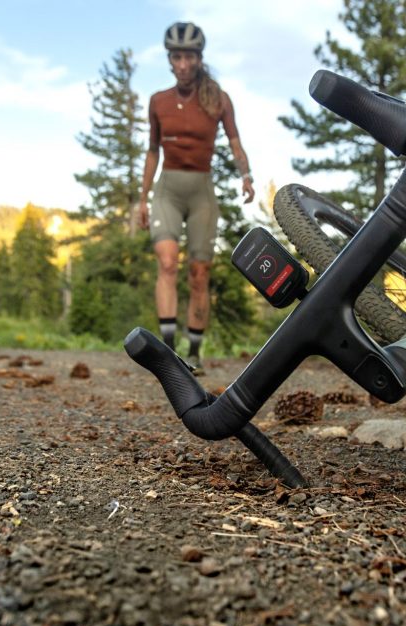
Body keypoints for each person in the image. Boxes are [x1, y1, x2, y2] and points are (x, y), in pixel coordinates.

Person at [138, 21, 255, 374]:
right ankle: (168, 352)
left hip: (202, 189)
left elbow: (235, 141)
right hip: (168, 190)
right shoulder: (158, 101)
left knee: (199, 273)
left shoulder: (218, 99)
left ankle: (194, 352)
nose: (184, 64)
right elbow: (152, 151)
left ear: (199, 59)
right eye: (177, 57)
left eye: (189, 57)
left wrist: (246, 174)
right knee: (168, 262)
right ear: (170, 60)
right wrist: (141, 198)